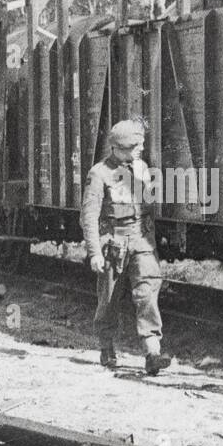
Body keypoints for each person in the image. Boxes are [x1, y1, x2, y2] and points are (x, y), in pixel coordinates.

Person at [80, 119, 172, 375]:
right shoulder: (98, 174)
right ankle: (107, 347)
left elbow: (148, 207)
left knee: (147, 293)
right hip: (114, 243)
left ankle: (152, 352)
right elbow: (89, 216)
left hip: (141, 239)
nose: (140, 149)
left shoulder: (141, 168)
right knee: (109, 299)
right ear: (119, 148)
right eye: (135, 146)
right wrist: (94, 252)